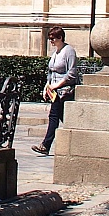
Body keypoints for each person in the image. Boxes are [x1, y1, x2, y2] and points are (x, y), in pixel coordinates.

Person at [32, 27, 79, 156]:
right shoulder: (56, 53)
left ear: (60, 38)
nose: (51, 41)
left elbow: (71, 73)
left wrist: (56, 86)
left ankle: (45, 145)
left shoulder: (68, 51)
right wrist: (47, 87)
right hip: (55, 91)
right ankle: (79, 141)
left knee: (54, 116)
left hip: (64, 91)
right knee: (64, 118)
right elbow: (50, 73)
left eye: (53, 38)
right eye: (50, 38)